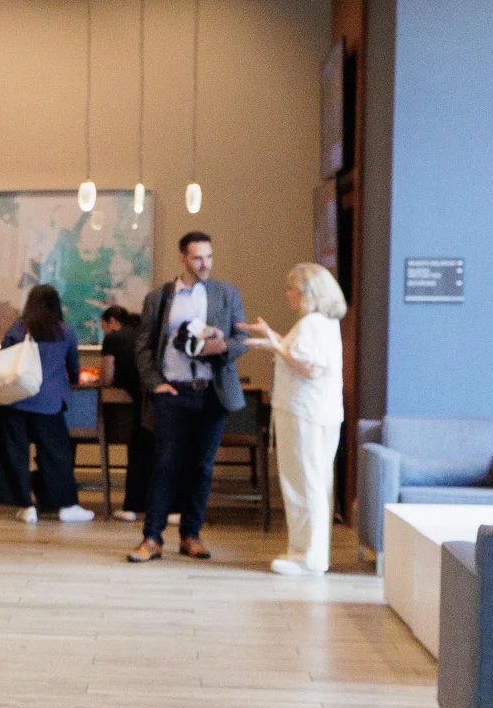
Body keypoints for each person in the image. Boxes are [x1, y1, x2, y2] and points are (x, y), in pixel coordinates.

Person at [127, 231, 247, 562]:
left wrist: (222, 346)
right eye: (197, 258)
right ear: (182, 258)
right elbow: (143, 346)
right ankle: (152, 538)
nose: (205, 264)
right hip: (172, 392)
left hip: (212, 393)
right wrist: (155, 383)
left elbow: (241, 339)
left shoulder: (226, 294)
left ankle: (191, 535)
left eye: (209, 257)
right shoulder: (160, 298)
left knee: (202, 467)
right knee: (164, 465)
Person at [243, 263, 348, 575]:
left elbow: (310, 367)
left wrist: (275, 345)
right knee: (315, 482)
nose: (288, 294)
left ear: (306, 292)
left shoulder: (312, 323)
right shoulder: (323, 323)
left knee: (303, 483)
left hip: (304, 412)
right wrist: (273, 339)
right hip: (319, 411)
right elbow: (301, 354)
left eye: (292, 289)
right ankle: (310, 553)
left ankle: (307, 557)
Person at [0, 285, 94, 523]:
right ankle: (64, 505)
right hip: (50, 402)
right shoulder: (64, 331)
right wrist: (72, 379)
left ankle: (25, 505)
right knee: (55, 455)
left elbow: (4, 360)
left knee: (15, 454)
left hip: (17, 399)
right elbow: (74, 367)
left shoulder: (18, 329)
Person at [98, 303, 154, 523]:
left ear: (112, 322)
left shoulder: (113, 338)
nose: (104, 332)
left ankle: (133, 506)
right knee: (160, 451)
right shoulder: (143, 334)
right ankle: (169, 507)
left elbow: (106, 378)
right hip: (159, 396)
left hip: (140, 400)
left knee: (138, 451)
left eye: (103, 327)